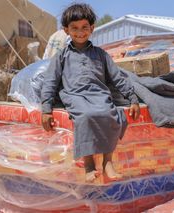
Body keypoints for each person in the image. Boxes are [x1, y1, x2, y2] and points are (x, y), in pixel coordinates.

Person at [41, 3, 140, 182]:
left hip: (99, 94)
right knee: (85, 116)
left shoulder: (101, 54)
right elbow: (50, 81)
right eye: (75, 28)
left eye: (84, 27)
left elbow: (117, 77)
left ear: (92, 28)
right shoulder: (62, 56)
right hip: (74, 95)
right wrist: (46, 109)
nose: (80, 32)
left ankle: (107, 162)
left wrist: (132, 98)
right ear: (66, 30)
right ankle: (88, 163)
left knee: (111, 113)